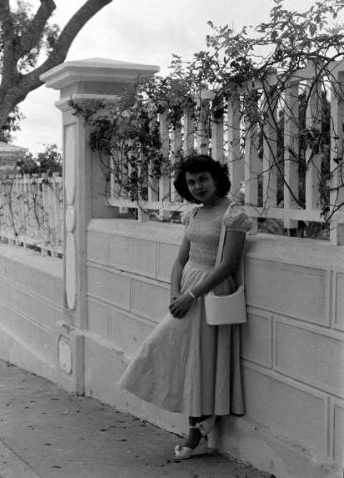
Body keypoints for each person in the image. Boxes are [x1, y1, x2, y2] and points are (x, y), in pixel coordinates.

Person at [118, 154, 252, 461]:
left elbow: (227, 265)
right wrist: (174, 293)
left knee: (200, 362)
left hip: (210, 292)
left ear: (217, 178)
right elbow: (181, 260)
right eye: (191, 182)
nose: (198, 186)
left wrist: (191, 295)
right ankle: (199, 429)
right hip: (187, 293)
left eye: (203, 179)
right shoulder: (192, 215)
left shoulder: (233, 214)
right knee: (181, 356)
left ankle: (197, 434)